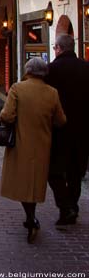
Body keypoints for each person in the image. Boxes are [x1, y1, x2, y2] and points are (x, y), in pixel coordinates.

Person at [0, 57, 66, 244]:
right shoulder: (52, 92)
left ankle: (30, 218)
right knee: (34, 183)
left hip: (21, 144)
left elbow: (7, 115)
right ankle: (31, 217)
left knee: (23, 183)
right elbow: (61, 120)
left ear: (28, 71)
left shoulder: (17, 88)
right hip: (43, 145)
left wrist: (4, 116)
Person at [46, 33, 89, 226]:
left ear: (59, 48)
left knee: (54, 171)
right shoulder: (86, 68)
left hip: (58, 130)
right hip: (82, 130)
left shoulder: (51, 70)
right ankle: (73, 205)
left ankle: (65, 207)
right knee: (76, 171)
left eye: (55, 48)